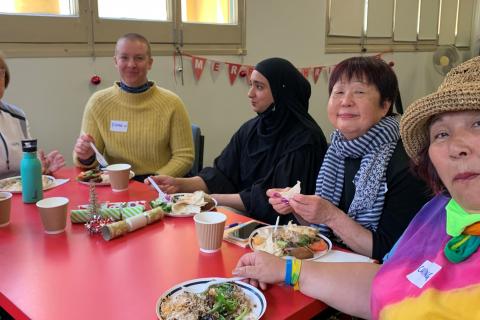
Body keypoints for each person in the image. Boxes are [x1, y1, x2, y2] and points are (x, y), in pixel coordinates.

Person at [233, 56, 480, 319]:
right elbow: (391, 280)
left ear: (386, 104)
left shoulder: (403, 164)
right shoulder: (438, 210)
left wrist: (328, 215)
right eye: (442, 134)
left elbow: (382, 250)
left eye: (478, 124)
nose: (456, 147)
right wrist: (289, 261)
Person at [267, 56, 431, 260]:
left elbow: (389, 251)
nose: (345, 101)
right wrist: (297, 207)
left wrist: (330, 215)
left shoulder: (407, 163)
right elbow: (323, 230)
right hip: (334, 261)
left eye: (359, 92)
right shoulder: (335, 151)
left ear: (385, 105)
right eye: (338, 92)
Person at [147, 58, 328, 224]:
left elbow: (274, 201)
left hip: (279, 228)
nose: (250, 93)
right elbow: (221, 174)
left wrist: (206, 198)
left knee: (211, 216)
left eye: (259, 87)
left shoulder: (305, 140)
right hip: (246, 215)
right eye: (251, 85)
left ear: (281, 93)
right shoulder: (251, 128)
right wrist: (179, 184)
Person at [73, 33, 194, 182]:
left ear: (150, 63)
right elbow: (88, 164)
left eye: (139, 58)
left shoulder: (172, 103)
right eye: (124, 57)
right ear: (115, 61)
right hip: (116, 184)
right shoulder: (98, 103)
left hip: (160, 184)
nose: (131, 64)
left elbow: (184, 156)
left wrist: (154, 180)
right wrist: (86, 157)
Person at [0, 52, 65, 179]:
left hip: (20, 194)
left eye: (0, 73)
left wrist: (40, 168)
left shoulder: (18, 117)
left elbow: (26, 165)